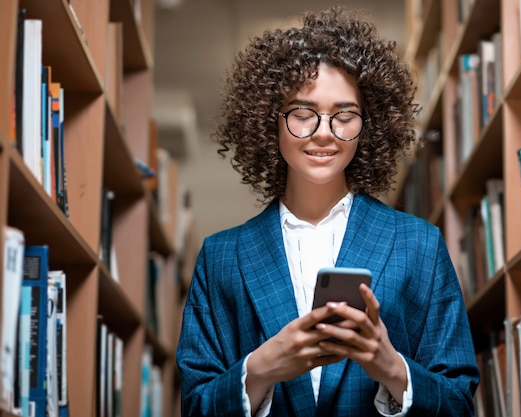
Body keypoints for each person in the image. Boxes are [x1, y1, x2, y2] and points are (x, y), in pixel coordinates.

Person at [176, 7, 479, 417]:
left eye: (344, 115)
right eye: (302, 114)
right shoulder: (220, 258)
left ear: (367, 126)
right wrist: (259, 370)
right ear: (271, 122)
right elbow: (195, 406)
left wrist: (391, 368)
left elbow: (460, 403)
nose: (323, 132)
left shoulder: (421, 245)